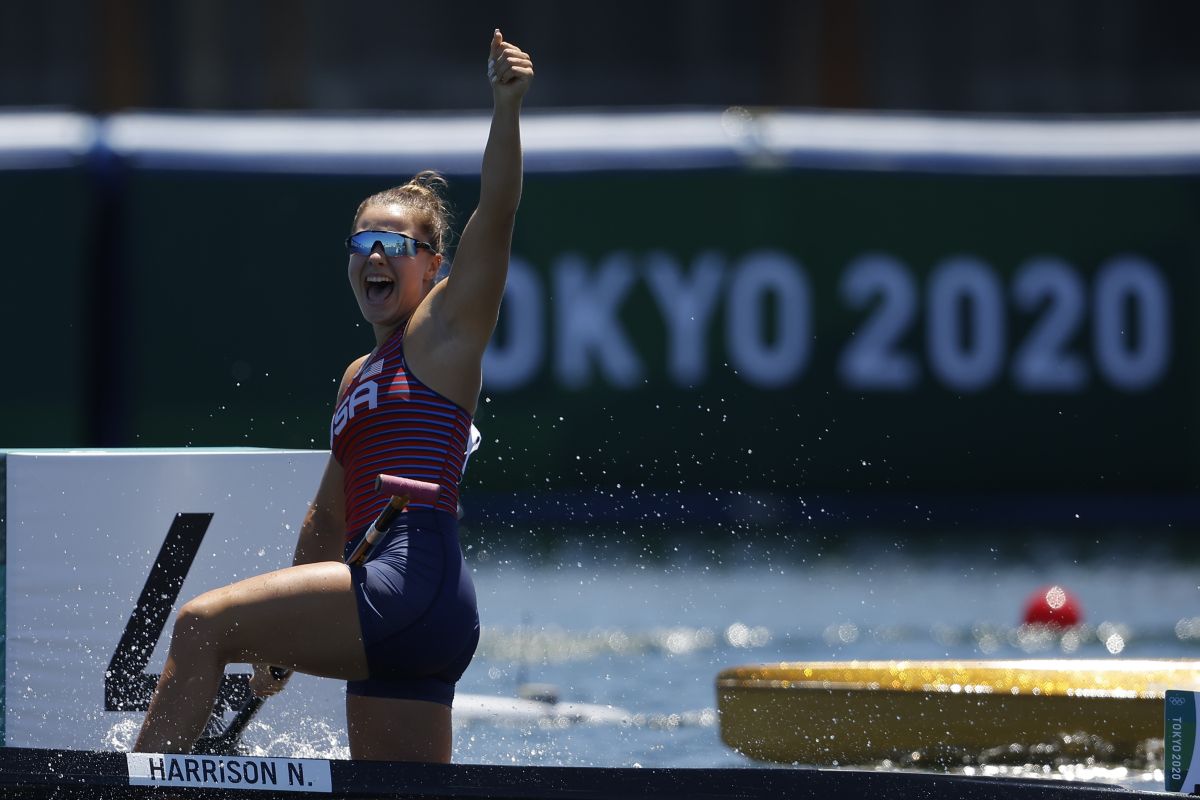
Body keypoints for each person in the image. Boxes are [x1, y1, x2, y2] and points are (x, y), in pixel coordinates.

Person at [133, 29, 534, 762]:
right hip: (410, 618)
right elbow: (328, 520)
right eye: (361, 244)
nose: (375, 256)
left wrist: (506, 106)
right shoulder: (357, 377)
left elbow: (498, 215)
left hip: (412, 582)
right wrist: (280, 638)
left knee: (198, 627)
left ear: (433, 266)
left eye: (395, 245)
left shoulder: (445, 331)